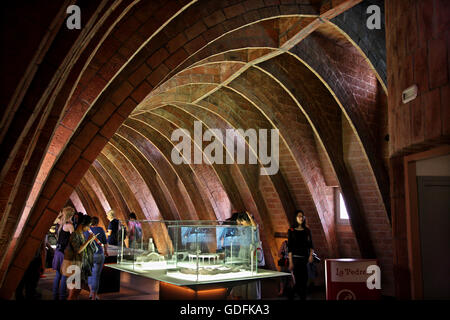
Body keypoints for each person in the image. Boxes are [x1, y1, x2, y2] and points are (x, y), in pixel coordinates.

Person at [229, 211, 264, 300]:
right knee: (242, 274)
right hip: (243, 253)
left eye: (243, 221)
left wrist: (250, 217)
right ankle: (241, 294)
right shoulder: (242, 229)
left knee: (251, 275)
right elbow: (237, 223)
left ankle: (252, 295)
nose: (241, 223)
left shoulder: (253, 228)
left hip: (251, 253)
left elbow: (255, 226)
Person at [62, 215, 97, 300]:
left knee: (77, 291)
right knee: (73, 293)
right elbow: (78, 250)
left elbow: (83, 248)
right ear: (82, 224)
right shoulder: (75, 234)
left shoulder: (81, 234)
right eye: (88, 225)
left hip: (79, 265)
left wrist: (90, 241)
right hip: (73, 266)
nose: (89, 228)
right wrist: (88, 240)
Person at [287, 210, 315, 300]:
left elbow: (311, 245)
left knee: (305, 280)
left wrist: (311, 255)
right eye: (299, 216)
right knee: (298, 281)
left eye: (302, 216)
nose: (301, 218)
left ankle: (302, 296)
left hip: (305, 258)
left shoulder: (307, 230)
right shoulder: (291, 230)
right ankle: (291, 295)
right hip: (295, 258)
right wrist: (290, 262)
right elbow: (290, 247)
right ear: (295, 218)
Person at [51, 206, 75, 300]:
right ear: (71, 215)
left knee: (58, 275)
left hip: (58, 251)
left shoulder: (60, 223)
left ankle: (54, 296)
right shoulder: (69, 225)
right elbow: (74, 240)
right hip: (64, 253)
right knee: (64, 276)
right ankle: (62, 297)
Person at [84, 216, 108, 300]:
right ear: (97, 222)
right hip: (99, 255)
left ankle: (91, 293)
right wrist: (106, 251)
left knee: (90, 274)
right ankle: (94, 295)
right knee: (96, 276)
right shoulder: (101, 230)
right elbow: (105, 243)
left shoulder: (86, 230)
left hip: (89, 255)